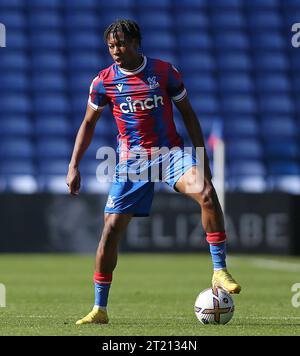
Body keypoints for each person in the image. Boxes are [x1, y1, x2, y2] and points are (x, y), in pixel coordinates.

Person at [66, 19, 241, 325]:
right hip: (131, 163)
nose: (116, 51)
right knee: (109, 232)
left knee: (208, 194)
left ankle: (219, 269)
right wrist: (73, 165)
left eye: (121, 44)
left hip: (170, 155)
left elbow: (188, 114)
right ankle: (99, 309)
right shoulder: (103, 81)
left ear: (136, 43)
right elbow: (88, 123)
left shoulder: (164, 72)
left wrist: (202, 159)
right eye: (111, 46)